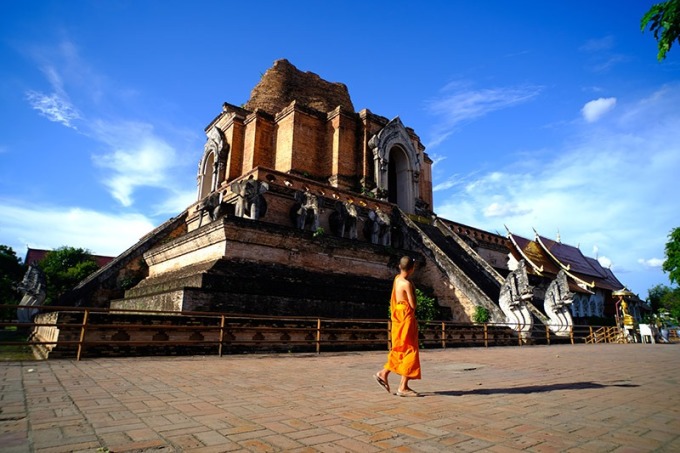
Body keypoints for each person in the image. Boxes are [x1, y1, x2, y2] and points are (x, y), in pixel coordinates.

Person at [374, 256, 421, 397]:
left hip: (398, 319)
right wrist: (413, 288)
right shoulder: (406, 284)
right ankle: (402, 387)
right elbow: (413, 305)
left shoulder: (397, 279)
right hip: (405, 319)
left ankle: (384, 373)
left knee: (400, 348)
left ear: (400, 267)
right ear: (412, 269)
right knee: (410, 350)